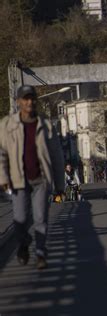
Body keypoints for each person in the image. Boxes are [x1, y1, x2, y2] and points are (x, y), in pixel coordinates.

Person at [0, 85, 65, 269]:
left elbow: (56, 156)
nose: (29, 102)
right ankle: (24, 243)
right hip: (18, 180)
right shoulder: (7, 125)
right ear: (19, 102)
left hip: (41, 180)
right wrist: (3, 178)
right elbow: (1, 154)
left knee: (40, 218)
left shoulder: (45, 125)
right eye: (25, 99)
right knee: (19, 220)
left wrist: (60, 185)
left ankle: (41, 253)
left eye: (32, 98)